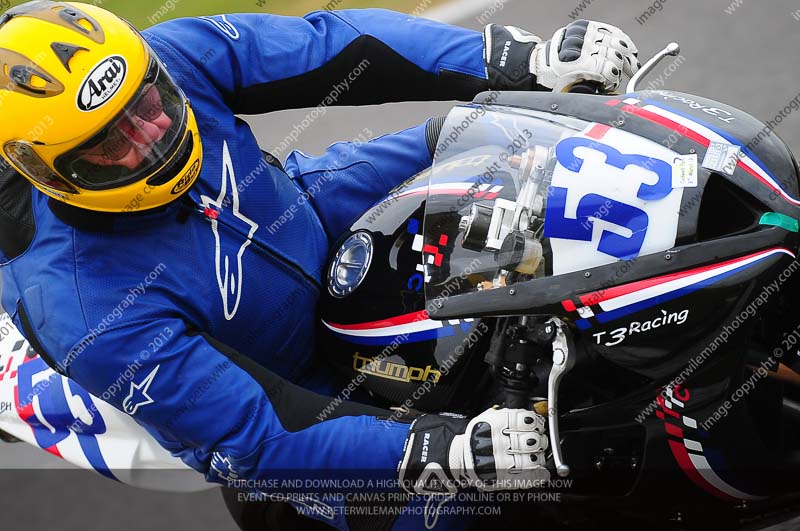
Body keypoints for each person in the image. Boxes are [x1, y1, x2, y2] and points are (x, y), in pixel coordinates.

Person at [0, 2, 639, 529]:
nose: (155, 130)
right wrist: (440, 451)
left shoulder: (169, 55)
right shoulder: (85, 308)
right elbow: (256, 437)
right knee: (482, 509)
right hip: (298, 391)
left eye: (149, 101)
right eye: (113, 141)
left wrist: (517, 61)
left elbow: (334, 45)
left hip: (313, 212)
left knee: (511, 133)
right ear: (45, 169)